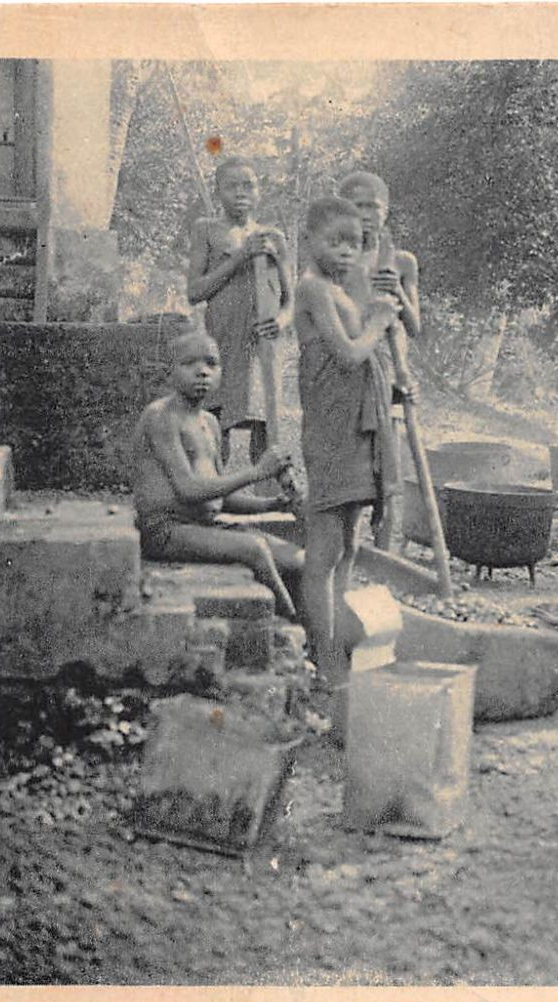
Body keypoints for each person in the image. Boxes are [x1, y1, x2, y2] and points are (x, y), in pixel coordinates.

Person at [294, 195, 409, 686]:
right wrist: (379, 322)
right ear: (309, 241)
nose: (345, 252)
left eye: (354, 243)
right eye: (334, 242)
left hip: (358, 428)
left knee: (350, 545)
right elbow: (346, 354)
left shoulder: (344, 290)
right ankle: (323, 657)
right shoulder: (312, 289)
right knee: (323, 550)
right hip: (331, 429)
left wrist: (383, 312)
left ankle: (338, 649)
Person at [131, 329, 302, 616]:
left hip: (205, 526)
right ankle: (295, 632)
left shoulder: (209, 422)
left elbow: (221, 497)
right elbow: (188, 490)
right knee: (254, 550)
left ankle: (317, 637)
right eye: (189, 364)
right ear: (169, 373)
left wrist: (271, 505)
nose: (202, 372)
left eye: (211, 363)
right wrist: (257, 473)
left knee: (297, 558)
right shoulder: (161, 417)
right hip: (165, 530)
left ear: (222, 371)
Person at [185, 157, 293, 466]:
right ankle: (217, 491)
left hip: (261, 345)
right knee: (217, 420)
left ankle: (268, 494)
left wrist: (280, 322)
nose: (241, 193)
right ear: (218, 191)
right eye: (232, 187)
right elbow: (195, 292)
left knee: (264, 417)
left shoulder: (273, 238)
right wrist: (239, 257)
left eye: (249, 186)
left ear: (259, 192)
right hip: (222, 341)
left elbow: (290, 300)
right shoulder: (206, 230)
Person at [336, 171, 422, 546]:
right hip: (350, 362)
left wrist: (397, 295)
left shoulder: (401, 261)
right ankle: (348, 543)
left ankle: (385, 548)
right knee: (351, 461)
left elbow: (414, 325)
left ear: (386, 212)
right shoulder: (338, 259)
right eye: (359, 207)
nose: (368, 215)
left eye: (375, 207)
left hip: (390, 367)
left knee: (388, 464)